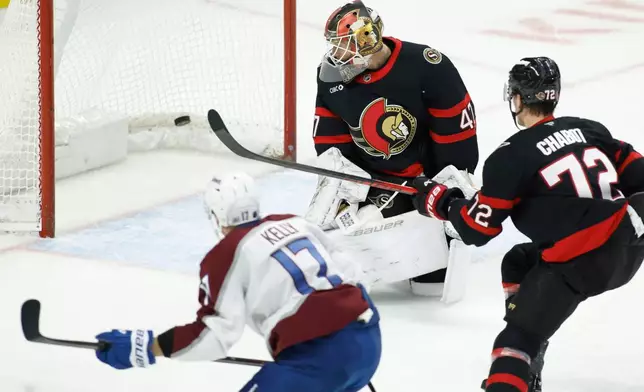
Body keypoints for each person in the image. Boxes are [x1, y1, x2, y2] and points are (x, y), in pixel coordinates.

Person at [411, 56, 644, 392]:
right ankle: (532, 352)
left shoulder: (509, 156)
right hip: (630, 246)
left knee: (515, 340)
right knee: (519, 261)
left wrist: (440, 202)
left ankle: (524, 354)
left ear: (518, 98)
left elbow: (477, 230)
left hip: (579, 262)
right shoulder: (590, 129)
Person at [94, 173, 381, 392]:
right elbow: (352, 271)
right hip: (368, 338)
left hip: (318, 358)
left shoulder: (225, 255)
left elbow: (214, 337)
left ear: (216, 216)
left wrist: (144, 347)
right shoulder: (295, 223)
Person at [307, 0, 479, 296]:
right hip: (370, 181)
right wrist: (349, 193)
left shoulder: (428, 67)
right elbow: (331, 147)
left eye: (344, 46)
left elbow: (458, 149)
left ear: (366, 39)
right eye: (334, 47)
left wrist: (442, 198)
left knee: (429, 284)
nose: (337, 56)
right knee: (336, 232)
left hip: (419, 184)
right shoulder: (331, 77)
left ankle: (426, 249)